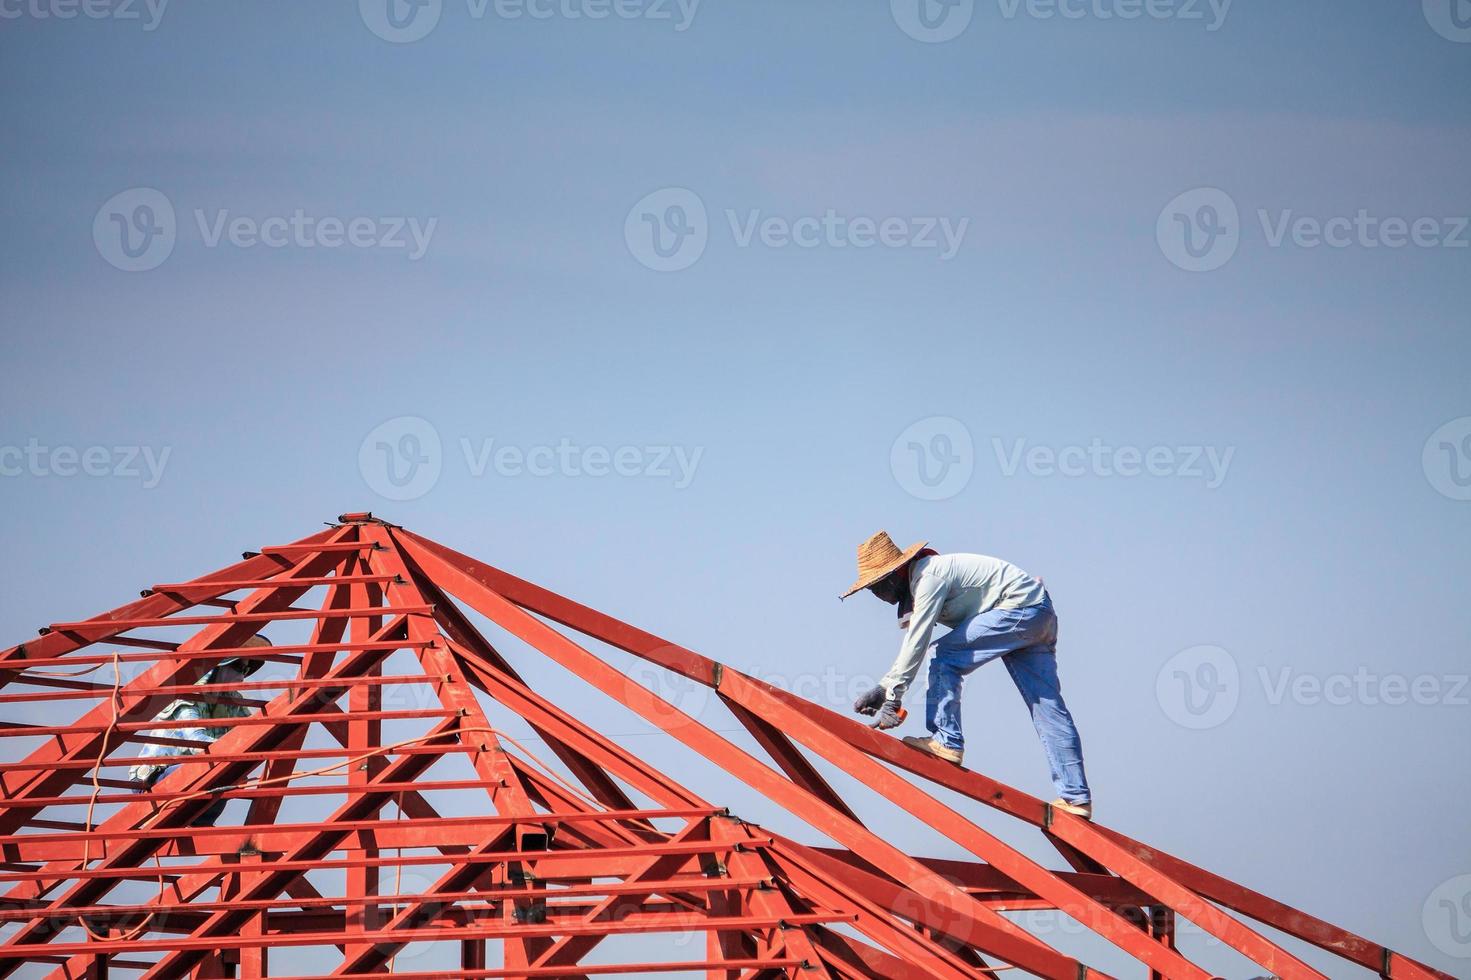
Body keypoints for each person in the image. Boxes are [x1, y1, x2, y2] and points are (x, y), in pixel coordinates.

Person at [843, 531, 1093, 819]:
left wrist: (892, 696)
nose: (876, 594)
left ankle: (946, 741)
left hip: (1018, 609)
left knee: (943, 656)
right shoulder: (921, 584)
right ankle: (1076, 797)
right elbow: (914, 637)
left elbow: (918, 641)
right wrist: (885, 688)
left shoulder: (928, 578)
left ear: (895, 573)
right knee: (1047, 707)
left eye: (876, 585)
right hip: (1036, 613)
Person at [129, 635, 270, 826]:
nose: (242, 676)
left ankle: (199, 822)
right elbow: (195, 740)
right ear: (219, 666)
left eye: (245, 669)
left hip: (197, 774)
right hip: (156, 777)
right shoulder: (189, 695)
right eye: (237, 667)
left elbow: (255, 730)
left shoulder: (232, 702)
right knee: (217, 771)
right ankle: (193, 820)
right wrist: (232, 756)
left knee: (226, 775)